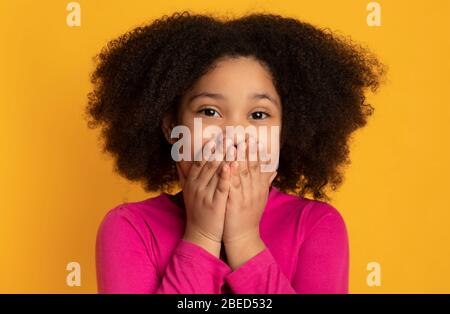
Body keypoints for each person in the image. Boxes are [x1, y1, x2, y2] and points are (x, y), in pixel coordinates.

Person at [86, 11, 386, 293]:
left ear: (283, 133)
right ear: (171, 127)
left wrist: (245, 241)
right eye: (210, 111)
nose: (233, 135)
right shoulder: (129, 228)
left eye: (258, 115)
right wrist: (201, 236)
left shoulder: (316, 225)